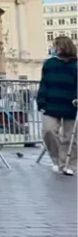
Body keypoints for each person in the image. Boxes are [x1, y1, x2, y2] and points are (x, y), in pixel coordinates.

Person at [38, 36, 78, 176]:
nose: (53, 48)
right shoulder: (49, 64)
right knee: (48, 131)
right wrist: (41, 100)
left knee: (71, 137)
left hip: (71, 104)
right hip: (52, 102)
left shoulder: (76, 65)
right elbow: (44, 83)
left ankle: (70, 164)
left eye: (56, 46)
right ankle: (57, 159)